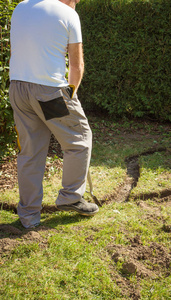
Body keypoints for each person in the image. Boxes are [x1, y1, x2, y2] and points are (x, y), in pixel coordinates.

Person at [9, 0, 99, 229]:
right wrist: (70, 94)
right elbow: (76, 67)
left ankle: (28, 216)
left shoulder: (20, 7)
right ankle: (71, 197)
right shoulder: (68, 15)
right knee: (79, 140)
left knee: (30, 153)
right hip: (49, 92)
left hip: (18, 88)